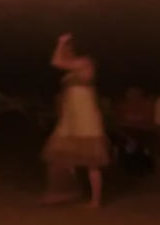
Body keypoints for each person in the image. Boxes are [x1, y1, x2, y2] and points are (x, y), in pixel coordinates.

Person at [41, 32, 111, 208]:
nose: (66, 51)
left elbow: (56, 62)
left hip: (86, 117)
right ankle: (66, 192)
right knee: (62, 156)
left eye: (69, 48)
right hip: (71, 117)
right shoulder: (73, 67)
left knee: (92, 162)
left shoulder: (85, 62)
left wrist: (60, 42)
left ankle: (95, 200)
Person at [112, 86, 155, 171]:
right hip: (127, 132)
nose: (134, 96)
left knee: (145, 141)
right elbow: (119, 122)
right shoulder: (122, 106)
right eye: (131, 94)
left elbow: (150, 122)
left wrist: (135, 123)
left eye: (136, 93)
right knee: (125, 142)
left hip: (143, 132)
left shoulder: (147, 105)